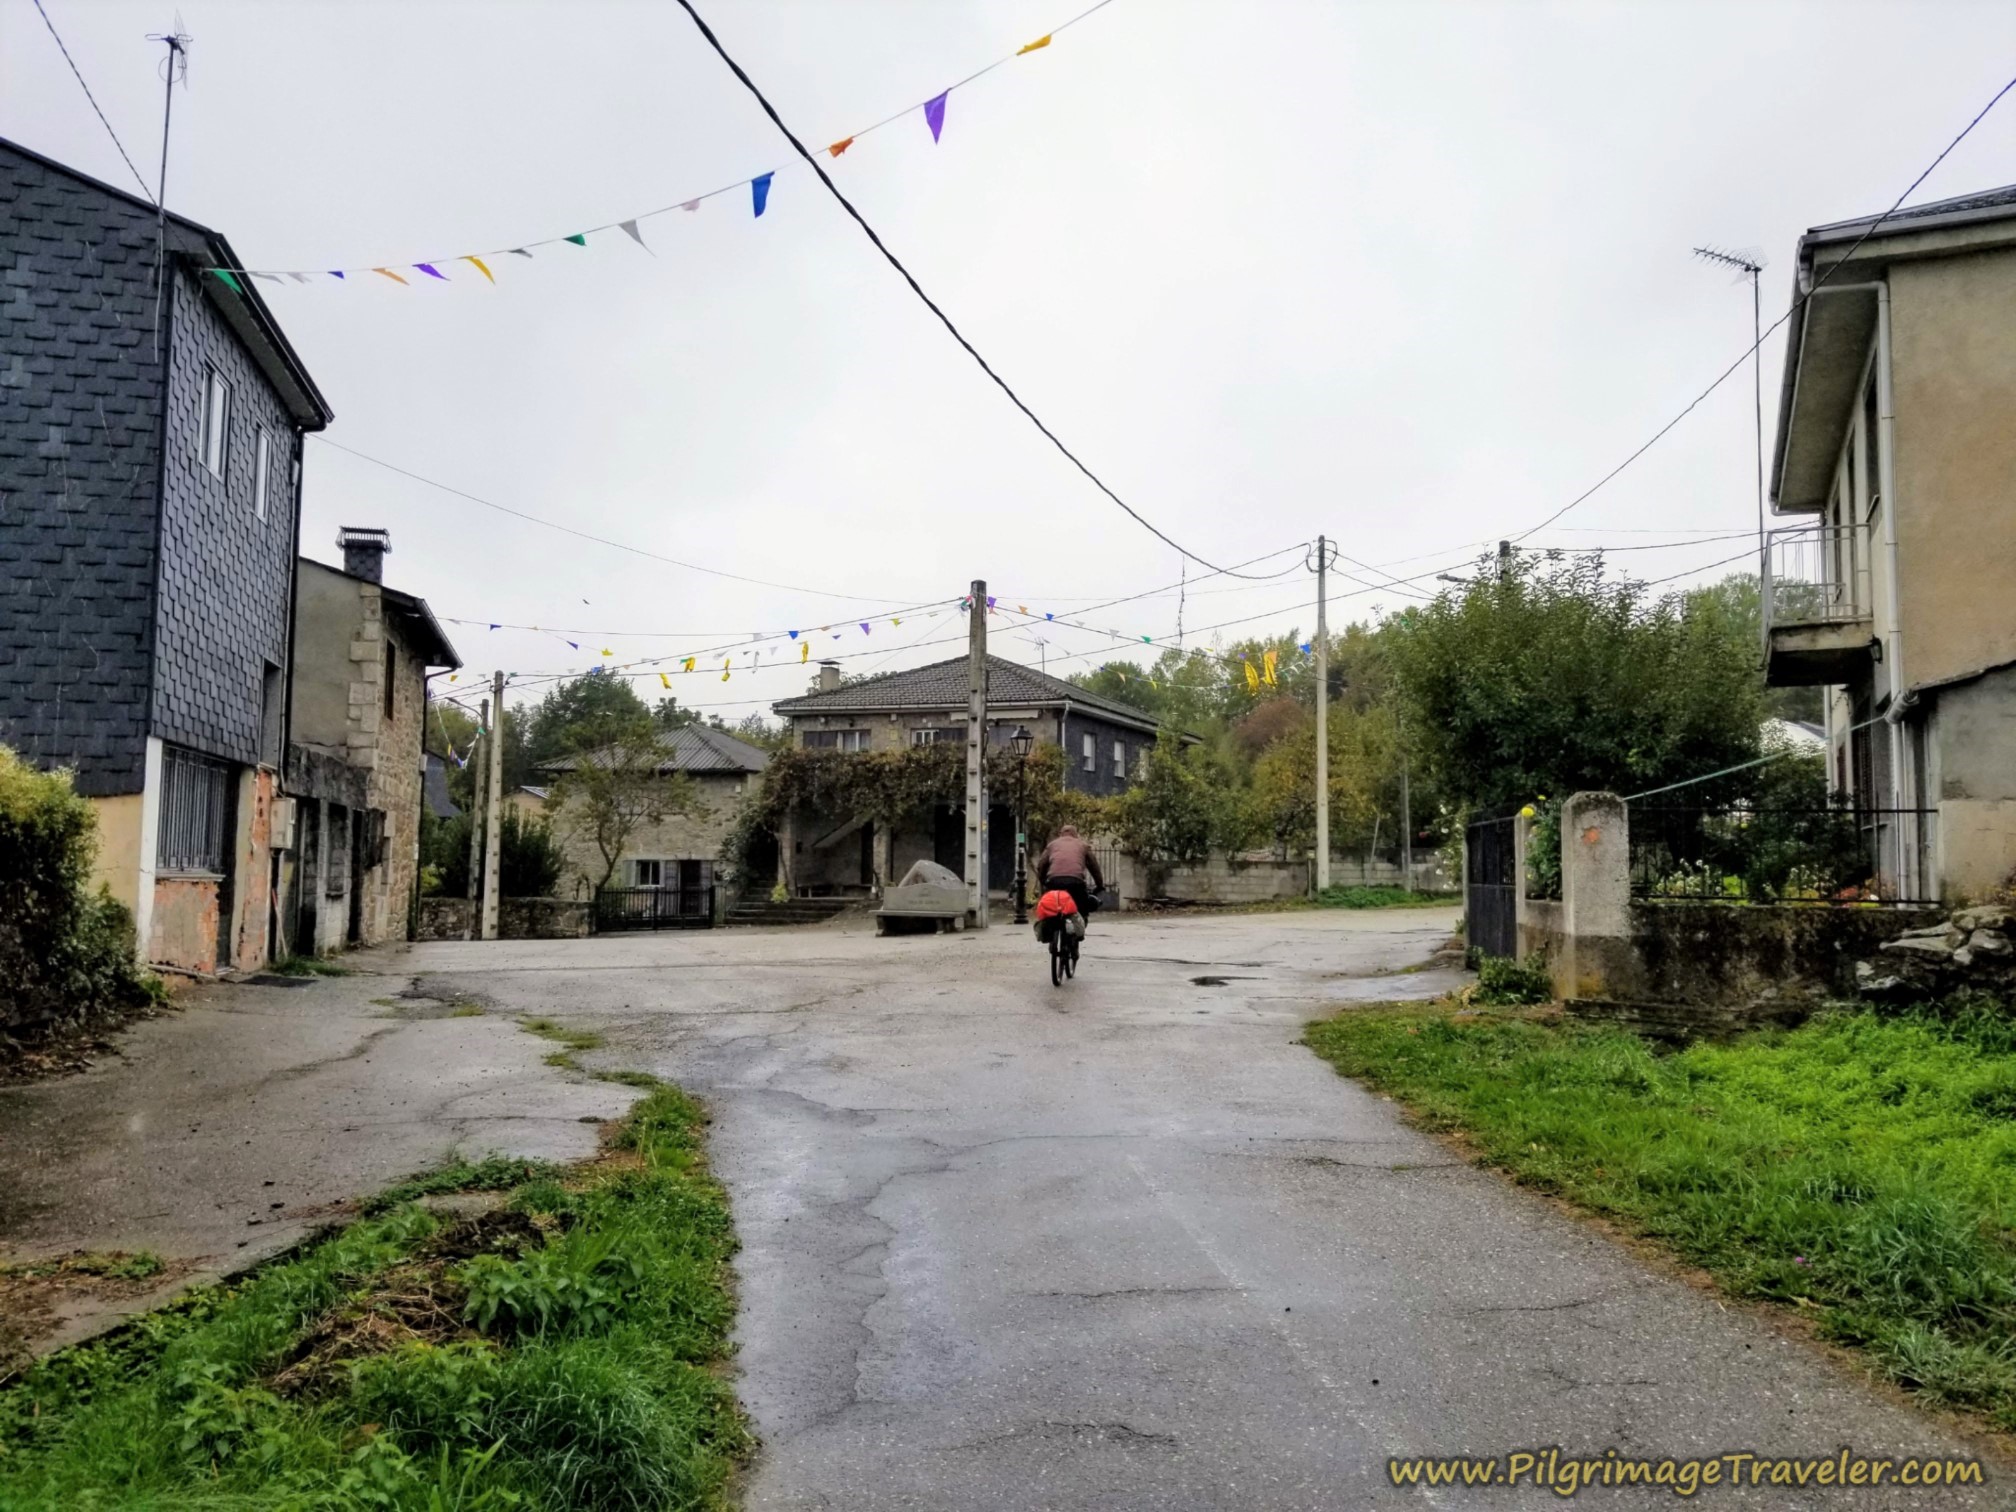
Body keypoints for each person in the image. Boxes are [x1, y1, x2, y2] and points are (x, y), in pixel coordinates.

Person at [1034, 825, 1104, 926]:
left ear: (1060, 834)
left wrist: (1043, 880)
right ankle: (1080, 924)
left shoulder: (1052, 845)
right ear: (1075, 834)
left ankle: (1049, 926)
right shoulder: (1083, 845)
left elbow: (1041, 865)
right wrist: (1099, 884)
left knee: (1050, 904)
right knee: (1081, 906)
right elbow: (1094, 867)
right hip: (1075, 882)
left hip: (1054, 881)